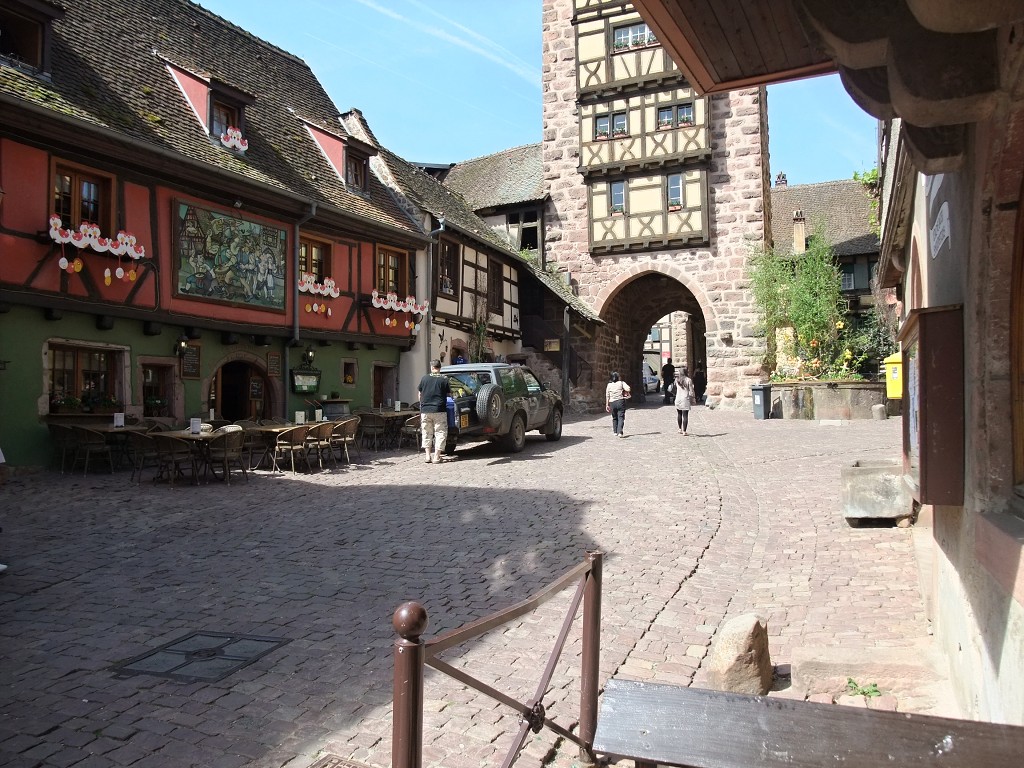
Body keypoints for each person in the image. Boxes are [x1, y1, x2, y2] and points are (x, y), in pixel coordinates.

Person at [417, 359, 450, 463]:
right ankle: (436, 456)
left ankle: (427, 456)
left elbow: (420, 394)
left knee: (426, 432)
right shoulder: (444, 379)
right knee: (440, 432)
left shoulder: (424, 378)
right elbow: (449, 394)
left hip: (425, 410)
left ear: (431, 367)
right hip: (439, 409)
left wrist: (422, 404)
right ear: (440, 368)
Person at [605, 371, 631, 437]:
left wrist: (607, 405)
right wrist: (624, 391)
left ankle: (615, 431)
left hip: (612, 403)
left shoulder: (609, 385)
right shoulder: (621, 383)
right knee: (621, 417)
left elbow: (607, 395)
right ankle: (620, 432)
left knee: (614, 417)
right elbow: (628, 388)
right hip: (620, 401)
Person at [674, 367, 696, 435]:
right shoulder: (688, 380)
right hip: (685, 399)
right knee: (685, 415)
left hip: (678, 398)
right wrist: (693, 399)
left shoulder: (677, 380)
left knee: (679, 414)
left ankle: (679, 429)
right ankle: (684, 431)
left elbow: (675, 388)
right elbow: (691, 391)